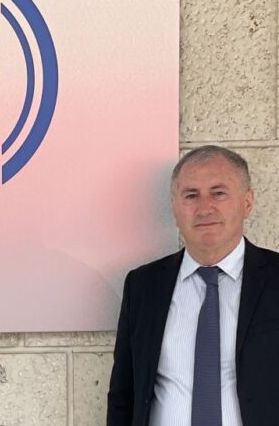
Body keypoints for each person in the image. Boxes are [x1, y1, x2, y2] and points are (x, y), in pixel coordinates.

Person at [107, 145, 279, 425]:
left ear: (247, 203)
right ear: (175, 208)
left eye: (218, 193)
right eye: (191, 195)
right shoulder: (143, 286)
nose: (204, 208)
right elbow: (123, 394)